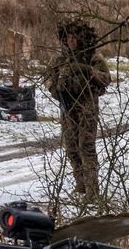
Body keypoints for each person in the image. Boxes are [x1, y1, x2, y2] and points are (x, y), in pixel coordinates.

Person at [46, 20, 110, 196]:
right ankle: (80, 184)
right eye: (67, 37)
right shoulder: (59, 59)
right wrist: (55, 91)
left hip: (87, 106)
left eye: (74, 38)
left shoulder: (93, 57)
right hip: (67, 106)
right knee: (71, 147)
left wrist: (85, 70)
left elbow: (106, 79)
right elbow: (49, 78)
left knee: (86, 147)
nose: (70, 41)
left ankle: (92, 190)